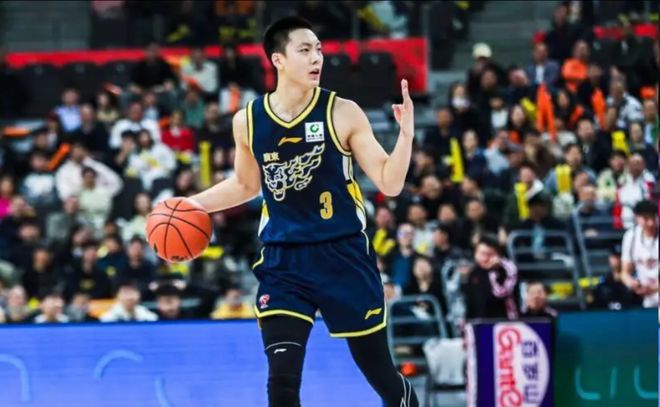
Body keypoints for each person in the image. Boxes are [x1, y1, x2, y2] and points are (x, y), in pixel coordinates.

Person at [189, 17, 419, 407]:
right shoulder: (248, 120)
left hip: (343, 255)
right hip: (285, 260)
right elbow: (245, 185)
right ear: (278, 60)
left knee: (383, 378)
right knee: (282, 382)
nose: (317, 58)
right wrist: (193, 204)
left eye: (319, 50)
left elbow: (389, 182)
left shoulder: (342, 111)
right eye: (305, 50)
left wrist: (406, 136)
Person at [460, 235, 519, 320]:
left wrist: (491, 271)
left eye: (489, 254)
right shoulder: (473, 273)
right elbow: (469, 301)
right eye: (482, 254)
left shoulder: (506, 270)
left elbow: (501, 293)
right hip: (479, 322)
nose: (485, 258)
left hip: (504, 322)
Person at [620, 200, 658, 308]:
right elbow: (624, 273)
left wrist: (655, 287)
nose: (651, 223)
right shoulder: (630, 237)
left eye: (653, 218)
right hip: (647, 297)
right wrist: (633, 284)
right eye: (646, 218)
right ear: (637, 218)